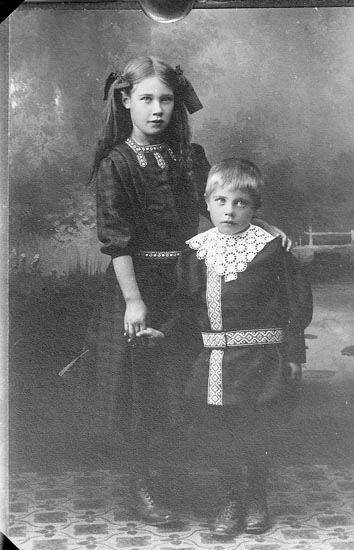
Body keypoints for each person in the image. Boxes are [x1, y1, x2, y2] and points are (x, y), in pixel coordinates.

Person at [82, 56, 291, 527]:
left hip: (189, 282)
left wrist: (262, 226)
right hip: (136, 286)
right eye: (146, 99)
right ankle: (143, 487)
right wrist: (134, 302)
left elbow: (220, 204)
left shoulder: (188, 156)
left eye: (166, 99)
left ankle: (205, 485)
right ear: (125, 101)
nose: (157, 109)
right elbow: (116, 241)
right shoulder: (117, 164)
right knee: (141, 390)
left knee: (188, 385)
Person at [137, 158, 313, 537]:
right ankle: (231, 499)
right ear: (207, 203)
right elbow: (185, 307)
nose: (229, 211)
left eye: (240, 203)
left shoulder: (271, 250)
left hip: (263, 357)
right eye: (221, 201)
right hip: (216, 360)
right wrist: (164, 333)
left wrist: (294, 354)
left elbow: (294, 305)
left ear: (255, 208)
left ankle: (257, 498)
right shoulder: (196, 253)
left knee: (257, 430)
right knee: (221, 432)